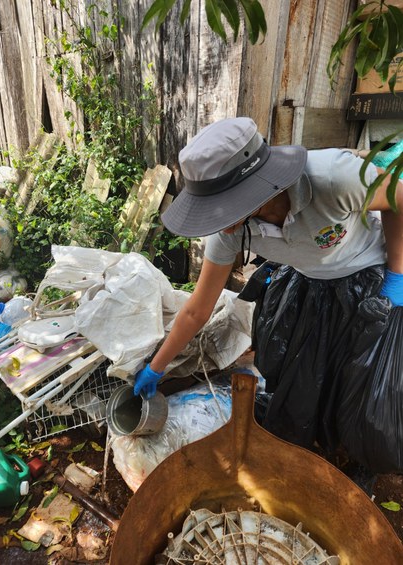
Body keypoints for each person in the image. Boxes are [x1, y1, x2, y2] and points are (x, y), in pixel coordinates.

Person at [133, 117, 403, 472]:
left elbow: (398, 197)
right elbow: (198, 309)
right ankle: (314, 446)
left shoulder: (333, 178)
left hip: (363, 280)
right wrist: (156, 367)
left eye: (225, 205)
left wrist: (397, 274)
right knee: (302, 380)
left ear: (256, 188)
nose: (218, 221)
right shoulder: (229, 230)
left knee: (358, 384)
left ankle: (354, 459)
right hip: (306, 282)